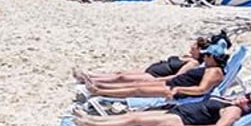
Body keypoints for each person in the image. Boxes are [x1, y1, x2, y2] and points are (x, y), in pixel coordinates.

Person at [84, 40, 229, 99]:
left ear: (212, 57)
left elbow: (202, 89)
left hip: (175, 88)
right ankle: (98, 86)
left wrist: (179, 90)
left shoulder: (214, 71)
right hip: (173, 84)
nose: (204, 57)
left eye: (206, 55)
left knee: (137, 90)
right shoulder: (210, 67)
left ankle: (99, 92)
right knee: (136, 86)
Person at [73, 91, 251, 126]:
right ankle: (91, 119)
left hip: (182, 119)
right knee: (129, 116)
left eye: (249, 103)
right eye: (247, 96)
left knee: (133, 119)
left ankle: (91, 124)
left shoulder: (233, 110)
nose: (244, 99)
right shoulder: (230, 99)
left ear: (249, 109)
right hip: (177, 111)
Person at [74, 33, 229, 87]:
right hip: (150, 70)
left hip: (154, 76)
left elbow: (177, 77)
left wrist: (156, 81)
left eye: (194, 45)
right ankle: (90, 76)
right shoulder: (189, 57)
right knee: (119, 73)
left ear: (200, 50)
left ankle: (92, 81)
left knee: (122, 78)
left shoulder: (193, 63)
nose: (191, 46)